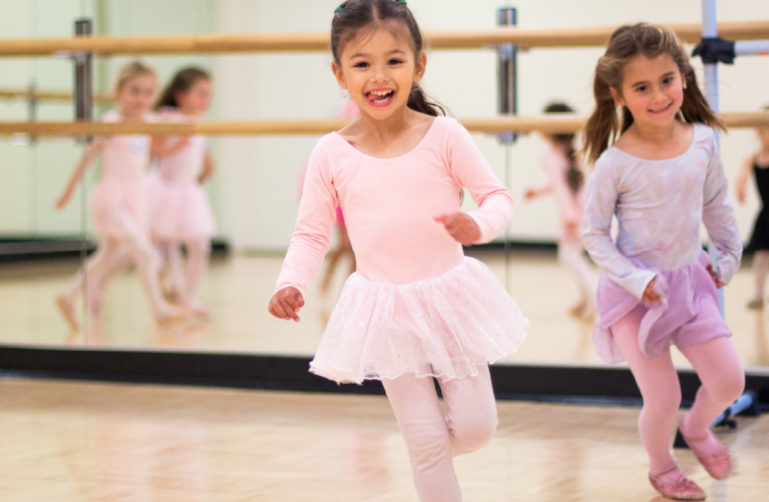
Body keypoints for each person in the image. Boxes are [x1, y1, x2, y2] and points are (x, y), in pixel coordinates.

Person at [268, 1, 527, 500]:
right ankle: (426, 456)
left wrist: (477, 224)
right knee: (427, 441)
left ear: (418, 65)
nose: (378, 76)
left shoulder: (444, 136)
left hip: (451, 300)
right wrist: (291, 281)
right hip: (385, 308)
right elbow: (311, 234)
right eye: (362, 63)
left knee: (475, 428)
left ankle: (426, 452)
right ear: (339, 74)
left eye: (394, 60)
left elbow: (498, 197)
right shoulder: (331, 153)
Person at [582, 23, 744, 500]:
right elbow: (595, 235)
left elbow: (717, 205)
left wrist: (728, 257)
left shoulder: (702, 142)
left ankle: (697, 428)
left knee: (729, 381)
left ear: (684, 77)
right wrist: (636, 279)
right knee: (663, 395)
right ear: (618, 95)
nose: (659, 96)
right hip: (634, 300)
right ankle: (662, 467)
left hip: (689, 285)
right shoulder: (616, 162)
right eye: (642, 87)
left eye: (667, 80)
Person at [55, 61, 185, 329]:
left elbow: (174, 120)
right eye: (134, 91)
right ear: (119, 93)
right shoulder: (111, 122)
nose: (141, 98)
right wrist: (68, 191)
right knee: (146, 254)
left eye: (148, 93)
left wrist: (188, 120)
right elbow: (87, 158)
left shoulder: (149, 122)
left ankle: (68, 296)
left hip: (134, 198)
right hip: (112, 197)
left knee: (108, 255)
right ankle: (160, 311)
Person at [147, 67, 216, 315]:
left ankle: (190, 296)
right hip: (166, 188)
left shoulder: (199, 124)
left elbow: (202, 155)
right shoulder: (166, 117)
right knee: (167, 242)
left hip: (188, 191)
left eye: (209, 95)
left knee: (199, 245)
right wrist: (175, 146)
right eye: (201, 94)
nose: (206, 101)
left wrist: (206, 169)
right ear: (181, 95)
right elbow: (152, 149)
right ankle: (173, 288)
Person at [524, 102, 596, 322]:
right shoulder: (575, 154)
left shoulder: (550, 157)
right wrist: (537, 191)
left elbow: (564, 190)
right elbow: (562, 183)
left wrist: (570, 217)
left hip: (575, 216)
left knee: (570, 257)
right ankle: (586, 299)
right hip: (586, 213)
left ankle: (594, 299)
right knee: (574, 256)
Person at [735, 107, 769, 309]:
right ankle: (757, 295)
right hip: (766, 213)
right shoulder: (753, 159)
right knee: (761, 256)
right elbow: (742, 176)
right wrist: (740, 187)